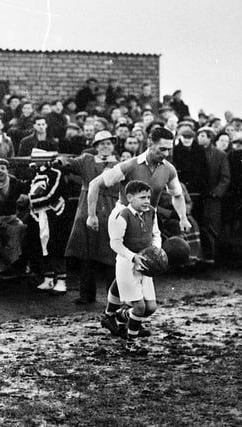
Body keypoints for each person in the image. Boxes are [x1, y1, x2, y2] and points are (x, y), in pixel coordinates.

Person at [87, 128, 190, 338]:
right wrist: (92, 215)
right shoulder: (130, 165)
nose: (166, 153)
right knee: (130, 263)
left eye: (169, 149)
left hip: (148, 217)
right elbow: (94, 183)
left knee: (143, 264)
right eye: (162, 148)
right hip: (124, 217)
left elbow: (177, 195)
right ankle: (128, 314)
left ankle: (120, 315)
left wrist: (183, 217)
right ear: (149, 143)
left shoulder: (168, 169)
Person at [63, 131, 119, 304]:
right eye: (101, 144)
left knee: (111, 255)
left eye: (108, 143)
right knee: (86, 255)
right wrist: (59, 160)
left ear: (113, 146)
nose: (105, 146)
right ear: (95, 147)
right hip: (88, 210)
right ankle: (86, 296)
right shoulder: (86, 160)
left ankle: (114, 297)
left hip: (110, 209)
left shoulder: (121, 164)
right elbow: (67, 163)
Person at [109, 180, 161, 354]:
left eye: (148, 197)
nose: (147, 201)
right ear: (130, 198)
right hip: (127, 264)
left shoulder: (152, 212)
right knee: (139, 307)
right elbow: (115, 244)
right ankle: (131, 344)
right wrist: (133, 257)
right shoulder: (123, 215)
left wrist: (156, 251)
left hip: (146, 263)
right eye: (142, 197)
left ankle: (120, 315)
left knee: (151, 307)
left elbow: (156, 235)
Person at [0, 158, 29, 277]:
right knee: (12, 232)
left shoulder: (14, 182)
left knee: (23, 229)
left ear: (7, 170)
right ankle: (7, 265)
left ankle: (15, 264)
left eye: (3, 168)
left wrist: (25, 197)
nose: (0, 171)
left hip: (11, 218)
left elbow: (27, 191)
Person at [196, 127, 230, 262]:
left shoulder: (220, 155)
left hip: (213, 198)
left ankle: (213, 256)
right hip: (198, 197)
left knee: (213, 226)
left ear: (210, 138)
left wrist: (217, 192)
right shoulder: (195, 153)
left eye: (203, 136)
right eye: (199, 136)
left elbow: (225, 177)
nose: (200, 138)